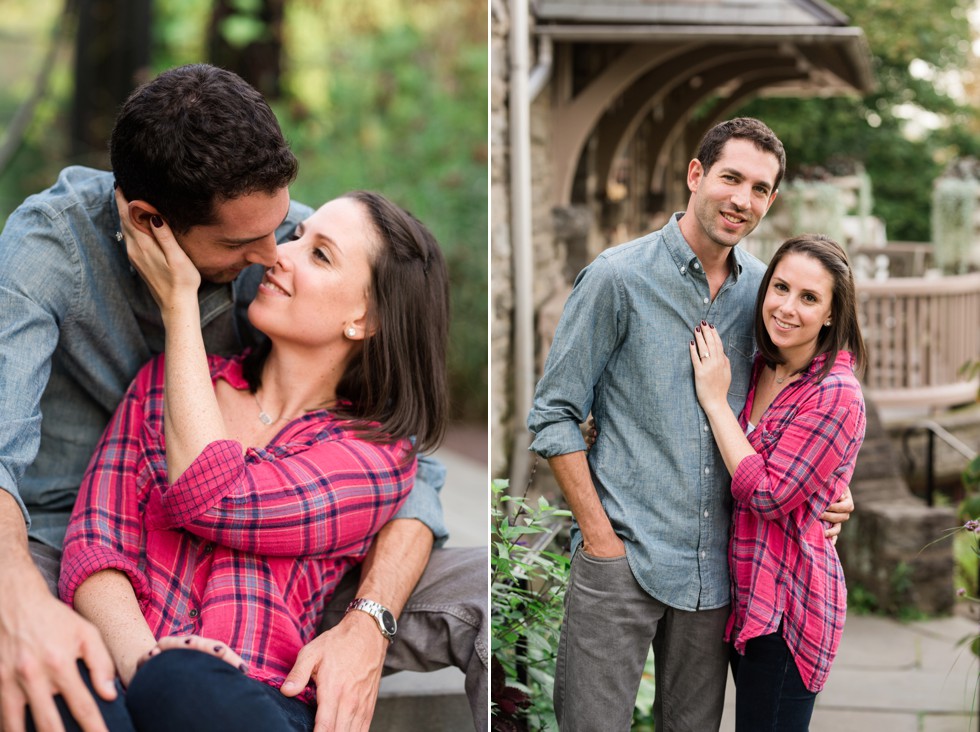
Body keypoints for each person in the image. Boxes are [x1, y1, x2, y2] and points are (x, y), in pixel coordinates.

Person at [0, 64, 487, 732]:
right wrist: (121, 653)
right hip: (76, 560)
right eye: (246, 243)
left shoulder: (362, 437)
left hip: (270, 651)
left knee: (488, 588)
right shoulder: (50, 256)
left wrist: (369, 621)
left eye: (295, 236)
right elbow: (83, 527)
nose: (273, 255)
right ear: (152, 222)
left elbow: (404, 470)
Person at [50, 187, 449, 731]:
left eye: (320, 254)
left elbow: (215, 498)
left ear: (365, 317)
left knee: (184, 682)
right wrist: (145, 663)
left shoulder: (376, 454)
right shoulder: (163, 383)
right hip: (125, 670)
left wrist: (179, 305)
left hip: (255, 699)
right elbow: (96, 545)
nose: (280, 253)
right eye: (298, 236)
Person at [526, 117, 853, 731]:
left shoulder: (766, 294)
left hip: (716, 575)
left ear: (770, 201)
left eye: (759, 189)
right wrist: (600, 540)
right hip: (621, 558)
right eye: (731, 178)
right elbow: (554, 415)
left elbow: (800, 400)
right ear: (696, 175)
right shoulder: (617, 278)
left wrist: (833, 482)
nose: (742, 200)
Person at [689, 234, 867, 730]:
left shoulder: (835, 393)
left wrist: (715, 400)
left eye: (809, 298)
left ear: (832, 314)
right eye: (781, 288)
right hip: (745, 598)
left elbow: (768, 493)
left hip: (790, 610)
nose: (788, 308)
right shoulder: (760, 365)